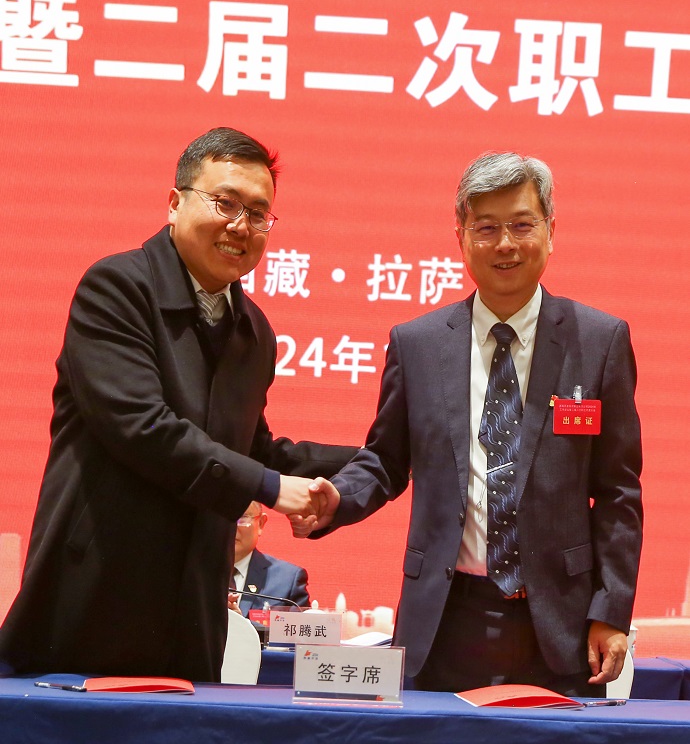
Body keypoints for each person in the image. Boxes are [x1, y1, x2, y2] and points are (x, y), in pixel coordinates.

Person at [0, 127, 356, 682]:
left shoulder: (254, 329)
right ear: (174, 203)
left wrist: (377, 458)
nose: (241, 226)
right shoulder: (117, 288)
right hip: (97, 590)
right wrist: (268, 487)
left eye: (258, 213)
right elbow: (143, 427)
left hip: (195, 607)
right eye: (225, 203)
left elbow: (252, 447)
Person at [294, 152, 643, 696]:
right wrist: (339, 498)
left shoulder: (599, 342)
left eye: (522, 225)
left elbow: (619, 492)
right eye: (486, 228)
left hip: (562, 625)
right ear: (460, 236)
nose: (505, 244)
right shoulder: (418, 344)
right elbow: (386, 460)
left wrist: (611, 608)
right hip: (444, 621)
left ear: (551, 231)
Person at [228, 501, 310, 617]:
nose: (230, 527)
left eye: (242, 518)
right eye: (220, 518)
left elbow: (299, 628)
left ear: (261, 523)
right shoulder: (199, 572)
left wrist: (241, 624)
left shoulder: (287, 580)